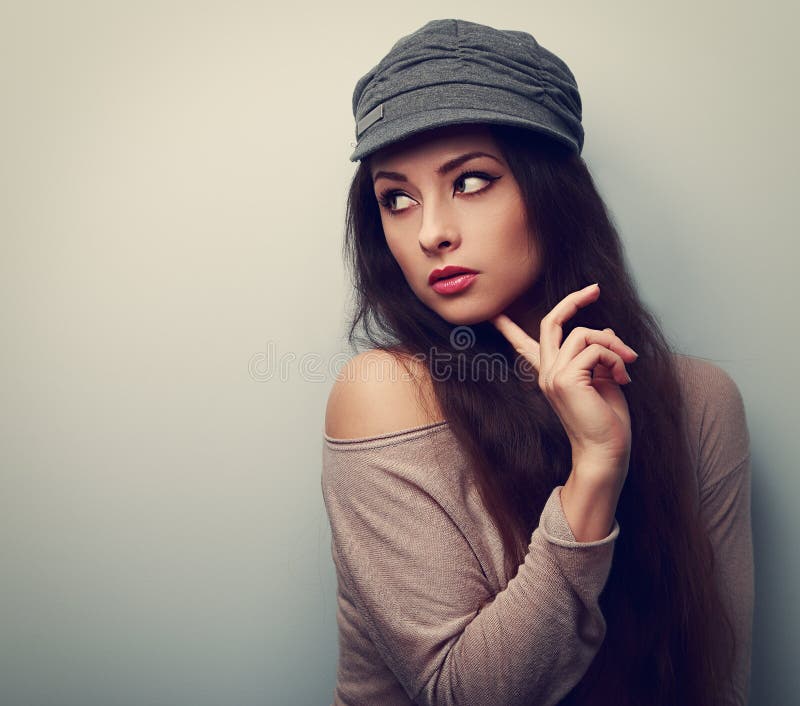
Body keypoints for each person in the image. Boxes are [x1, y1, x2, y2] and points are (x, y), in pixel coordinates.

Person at [321, 18, 752, 706]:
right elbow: (465, 695)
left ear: (553, 192)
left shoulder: (701, 400)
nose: (431, 232)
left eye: (470, 181)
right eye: (396, 198)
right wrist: (596, 471)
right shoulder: (383, 393)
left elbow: (717, 680)